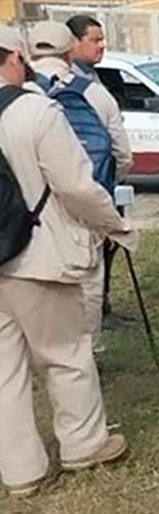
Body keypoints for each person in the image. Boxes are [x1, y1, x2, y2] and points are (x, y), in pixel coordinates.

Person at [0, 26, 137, 497]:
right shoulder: (34, 110)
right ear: (15, 58)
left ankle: (21, 472)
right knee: (66, 355)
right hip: (36, 254)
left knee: (4, 371)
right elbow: (76, 185)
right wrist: (113, 225)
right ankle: (83, 445)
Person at [29, 20, 133, 356]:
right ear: (70, 48)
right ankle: (88, 355)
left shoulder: (17, 97)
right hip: (85, 214)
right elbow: (123, 155)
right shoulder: (93, 93)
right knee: (86, 288)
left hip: (27, 217)